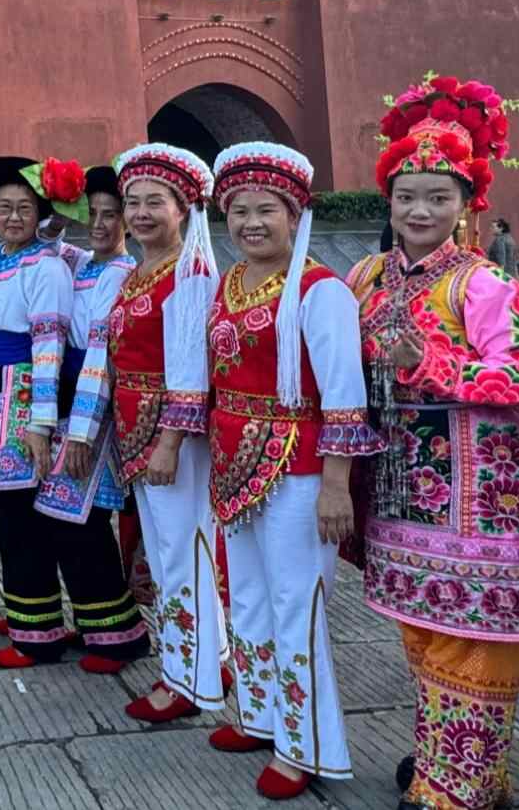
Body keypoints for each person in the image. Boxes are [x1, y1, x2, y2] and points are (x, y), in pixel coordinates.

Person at [345, 76, 519, 810]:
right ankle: (448, 761)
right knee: (425, 631)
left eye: (438, 197)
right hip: (398, 483)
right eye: (407, 196)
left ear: (466, 205)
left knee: (473, 635)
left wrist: (427, 363)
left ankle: (460, 785)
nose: (420, 210)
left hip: (479, 493)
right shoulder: (367, 277)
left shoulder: (484, 282)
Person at [205, 141, 379, 801]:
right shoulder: (230, 284)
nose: (251, 223)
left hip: (297, 468)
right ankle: (259, 714)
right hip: (232, 464)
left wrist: (335, 484)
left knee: (296, 604)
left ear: (295, 214)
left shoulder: (320, 290)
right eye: (239, 211)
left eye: (266, 210)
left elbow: (344, 396)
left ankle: (305, 745)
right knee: (247, 596)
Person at [68, 144, 229, 725]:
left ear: (183, 208)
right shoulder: (139, 273)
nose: (139, 213)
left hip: (172, 440)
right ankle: (208, 662)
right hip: (138, 432)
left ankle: (185, 679)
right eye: (132, 202)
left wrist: (169, 442)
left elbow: (191, 370)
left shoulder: (191, 272)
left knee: (180, 556)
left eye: (154, 202)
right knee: (168, 553)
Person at [34, 164, 150, 672]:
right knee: (68, 519)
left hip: (96, 406)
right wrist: (64, 207)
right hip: (68, 397)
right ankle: (98, 622)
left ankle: (121, 634)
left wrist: (82, 434)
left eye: (110, 215)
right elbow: (44, 243)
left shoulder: (121, 274)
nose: (100, 225)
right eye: (93, 214)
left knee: (81, 520)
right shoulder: (81, 263)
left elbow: (101, 358)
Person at [0, 157, 76, 668]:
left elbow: (49, 346)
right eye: (4, 207)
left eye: (24, 208)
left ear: (40, 214)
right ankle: (24, 611)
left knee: (24, 518)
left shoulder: (46, 266)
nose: (13, 217)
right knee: (6, 512)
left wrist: (40, 422)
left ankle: (38, 635)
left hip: (21, 391)